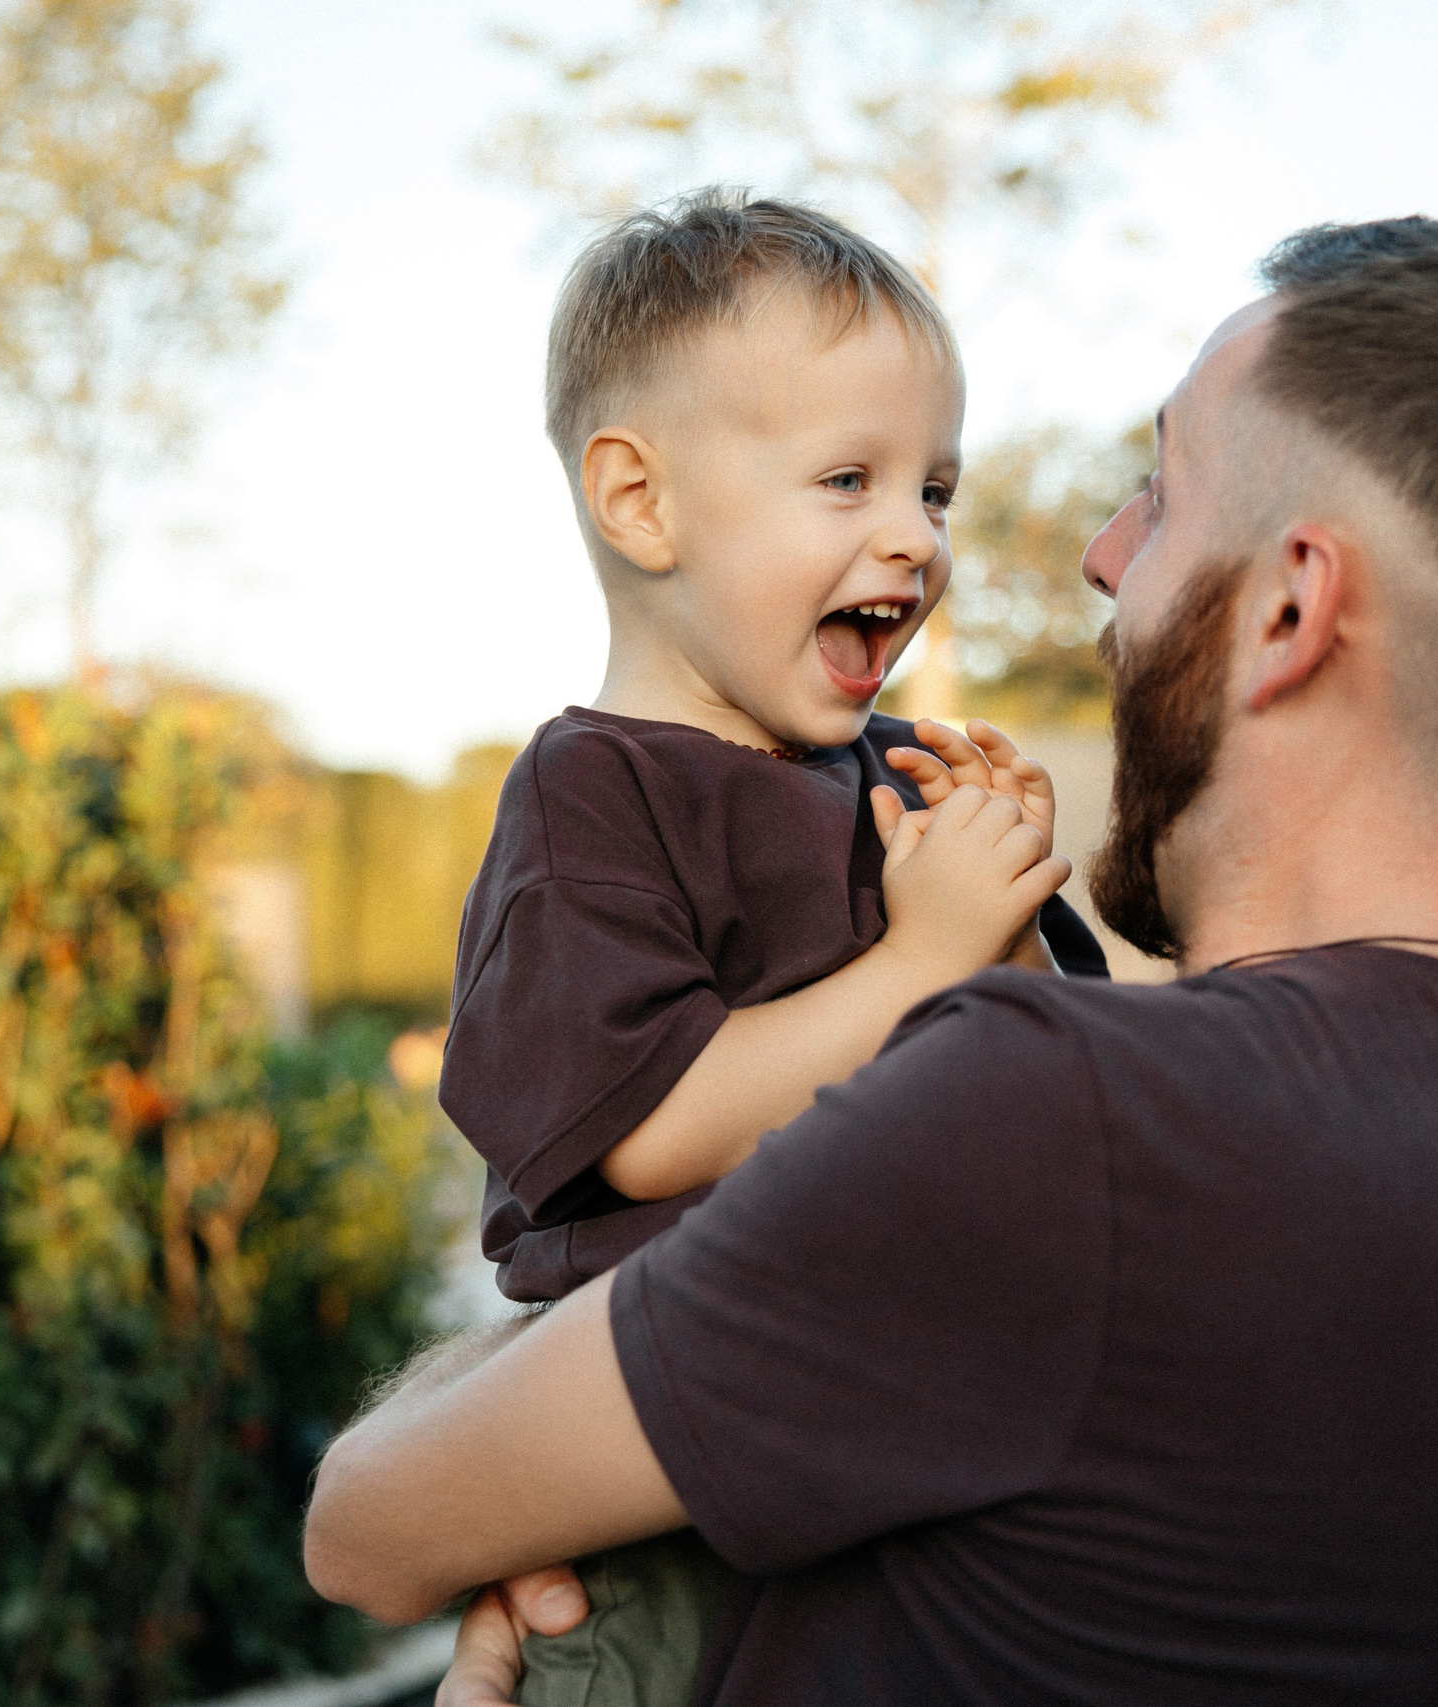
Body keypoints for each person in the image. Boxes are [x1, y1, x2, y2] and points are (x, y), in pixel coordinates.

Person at [307, 214, 1438, 1706]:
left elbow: (369, 1525)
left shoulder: (1058, 1126)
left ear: (1292, 609)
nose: (1097, 555)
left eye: (1160, 497)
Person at [435, 188, 1106, 1707]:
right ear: (641, 503)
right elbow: (648, 1128)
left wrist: (992, 903)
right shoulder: (596, 794)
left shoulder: (891, 775)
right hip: (667, 1497)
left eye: (935, 490)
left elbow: (1036, 1073)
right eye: (849, 478)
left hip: (885, 1470)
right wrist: (911, 963)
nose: (913, 539)